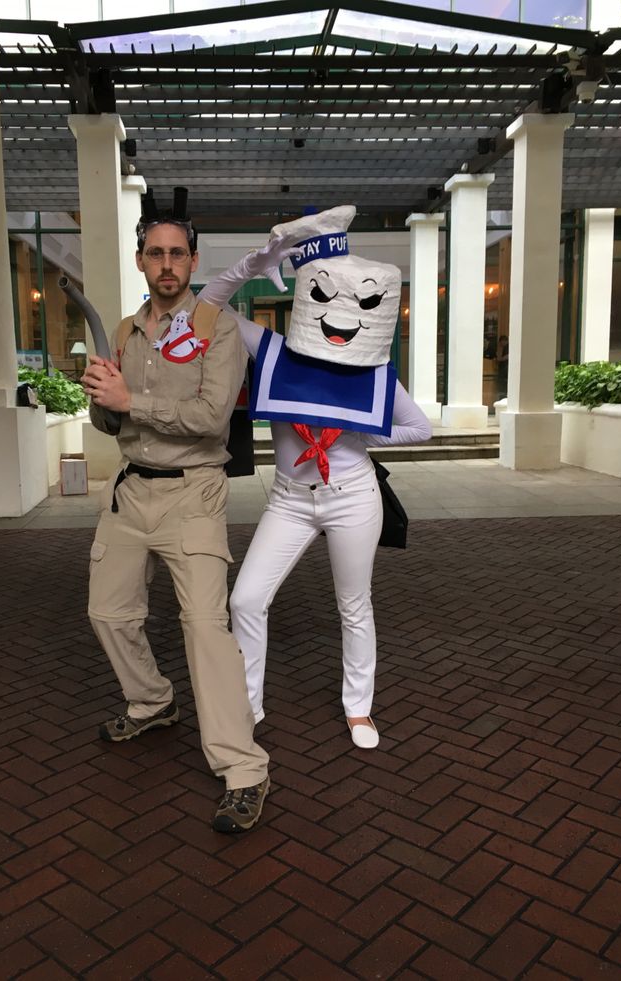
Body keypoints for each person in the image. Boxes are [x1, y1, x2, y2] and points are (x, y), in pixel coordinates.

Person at [199, 206, 432, 750]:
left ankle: (359, 708)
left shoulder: (373, 370)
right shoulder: (273, 352)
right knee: (245, 600)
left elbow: (418, 427)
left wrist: (362, 433)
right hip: (290, 500)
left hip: (353, 497)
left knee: (354, 604)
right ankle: (248, 703)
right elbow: (209, 306)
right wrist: (257, 262)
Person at [80, 188, 269, 833]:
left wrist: (129, 400)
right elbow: (112, 425)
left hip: (194, 492)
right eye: (154, 253)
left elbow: (211, 419)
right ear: (140, 261)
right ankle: (152, 701)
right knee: (107, 610)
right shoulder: (127, 332)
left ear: (193, 261)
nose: (166, 264)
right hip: (132, 490)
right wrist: (102, 401)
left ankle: (243, 770)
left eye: (176, 254)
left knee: (205, 630)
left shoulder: (220, 330)